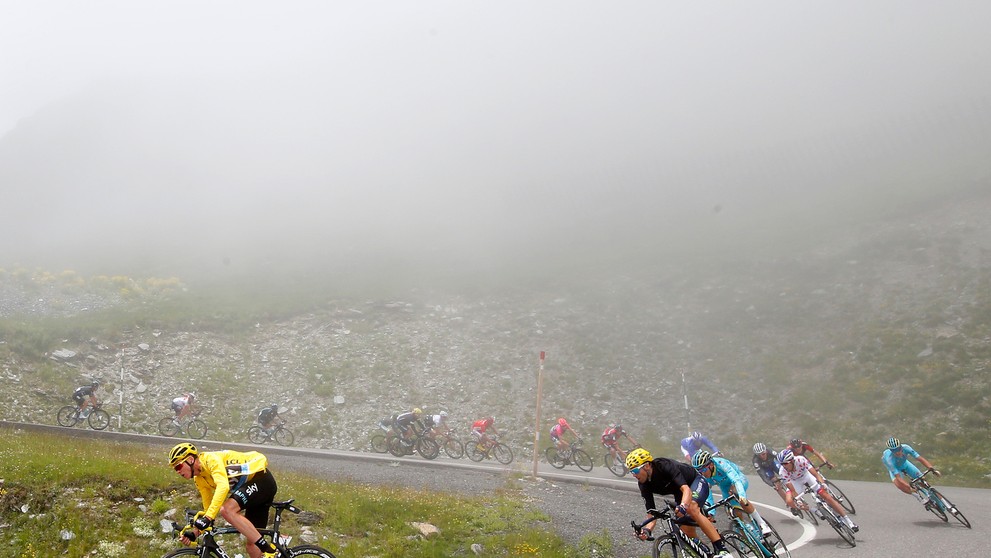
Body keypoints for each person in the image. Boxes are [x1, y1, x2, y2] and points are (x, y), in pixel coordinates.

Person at [169, 443, 279, 558]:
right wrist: (195, 533)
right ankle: (272, 551)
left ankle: (269, 549)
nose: (177, 471)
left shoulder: (210, 460)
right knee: (252, 546)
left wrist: (208, 518)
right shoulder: (199, 479)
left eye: (178, 467)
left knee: (227, 509)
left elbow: (223, 486)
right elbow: (209, 509)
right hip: (252, 494)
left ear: (190, 460)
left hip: (261, 479)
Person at [626, 448, 731, 557]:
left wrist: (683, 506)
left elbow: (686, 489)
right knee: (685, 531)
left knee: (691, 508)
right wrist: (647, 531)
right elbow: (651, 514)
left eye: (635, 471)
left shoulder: (664, 466)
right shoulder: (643, 484)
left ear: (647, 466)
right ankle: (707, 554)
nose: (634, 475)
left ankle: (722, 550)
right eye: (631, 472)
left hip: (694, 482)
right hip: (679, 493)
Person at [692, 450, 774, 537]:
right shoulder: (703, 476)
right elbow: (707, 493)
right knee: (732, 513)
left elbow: (736, 480)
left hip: (738, 480)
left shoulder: (721, 464)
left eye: (703, 469)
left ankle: (762, 524)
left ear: (711, 465)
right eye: (699, 471)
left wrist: (742, 496)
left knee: (738, 497)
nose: (702, 473)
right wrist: (711, 512)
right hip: (725, 487)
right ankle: (747, 537)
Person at [777, 448, 858, 532]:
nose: (784, 466)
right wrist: (798, 500)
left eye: (785, 463)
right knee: (789, 501)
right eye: (782, 464)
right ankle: (812, 510)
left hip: (806, 476)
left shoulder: (801, 460)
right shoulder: (782, 472)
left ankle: (849, 521)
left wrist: (822, 483)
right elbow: (793, 490)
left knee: (827, 497)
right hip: (795, 481)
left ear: (792, 460)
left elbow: (815, 474)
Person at [882, 437, 940, 504]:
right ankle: (918, 496)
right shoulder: (889, 459)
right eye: (894, 451)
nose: (897, 452)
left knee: (922, 480)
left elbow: (920, 458)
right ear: (891, 451)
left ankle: (942, 501)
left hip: (905, 464)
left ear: (901, 446)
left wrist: (932, 469)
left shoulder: (906, 447)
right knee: (899, 485)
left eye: (898, 449)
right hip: (895, 469)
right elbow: (898, 477)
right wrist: (909, 487)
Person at [751, 442, 789, 508]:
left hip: (773, 464)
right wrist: (772, 484)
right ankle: (787, 501)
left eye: (763, 454)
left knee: (784, 473)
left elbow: (780, 458)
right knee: (776, 485)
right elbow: (762, 475)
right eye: (759, 455)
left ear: (766, 451)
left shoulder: (770, 451)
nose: (762, 456)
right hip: (766, 470)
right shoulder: (755, 461)